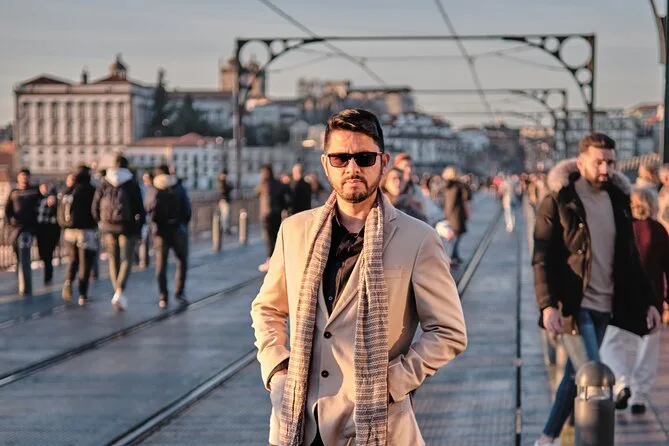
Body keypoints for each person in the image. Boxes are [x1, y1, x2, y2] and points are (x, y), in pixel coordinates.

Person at [251, 109, 467, 446]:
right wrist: (278, 369)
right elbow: (267, 309)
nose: (352, 168)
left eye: (364, 158)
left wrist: (393, 383)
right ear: (326, 165)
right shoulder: (294, 231)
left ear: (384, 162)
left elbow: (449, 331)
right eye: (340, 158)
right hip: (297, 424)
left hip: (380, 425)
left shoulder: (418, 238)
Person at [532, 133, 661, 446]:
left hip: (606, 305)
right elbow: (542, 256)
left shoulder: (618, 199)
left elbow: (630, 257)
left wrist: (650, 302)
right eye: (599, 162)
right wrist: (547, 305)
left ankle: (546, 439)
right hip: (573, 306)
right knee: (596, 379)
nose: (606, 169)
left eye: (611, 163)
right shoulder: (559, 199)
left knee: (576, 376)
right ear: (581, 162)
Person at [599, 187, 669, 415]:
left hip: (622, 297)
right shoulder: (658, 230)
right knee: (648, 348)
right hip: (653, 299)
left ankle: (621, 382)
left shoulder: (621, 229)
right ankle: (639, 396)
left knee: (611, 343)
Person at [92, 155, 145, 311]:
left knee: (112, 259)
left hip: (108, 226)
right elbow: (139, 208)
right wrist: (139, 227)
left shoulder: (104, 182)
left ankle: (117, 291)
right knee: (126, 259)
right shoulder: (131, 182)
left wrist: (100, 222)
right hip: (127, 227)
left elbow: (95, 206)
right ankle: (120, 290)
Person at [147, 164, 192, 308]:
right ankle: (180, 292)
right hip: (178, 230)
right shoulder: (178, 187)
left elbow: (148, 209)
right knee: (182, 261)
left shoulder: (154, 189)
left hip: (160, 232)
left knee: (161, 265)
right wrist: (182, 223)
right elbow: (187, 210)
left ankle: (163, 296)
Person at [58, 165, 98, 305]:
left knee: (73, 260)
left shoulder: (67, 191)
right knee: (85, 263)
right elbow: (95, 210)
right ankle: (83, 294)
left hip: (68, 232)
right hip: (85, 231)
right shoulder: (90, 190)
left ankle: (68, 281)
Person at [4, 169, 41, 296]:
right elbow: (7, 209)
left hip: (28, 228)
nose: (24, 178)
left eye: (26, 176)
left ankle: (25, 285)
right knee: (17, 252)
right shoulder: (14, 192)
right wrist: (10, 222)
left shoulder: (34, 191)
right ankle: (20, 274)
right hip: (15, 228)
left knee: (25, 252)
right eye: (22, 176)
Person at [256, 164, 289, 273]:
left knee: (269, 238)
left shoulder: (263, 184)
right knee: (276, 237)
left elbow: (256, 192)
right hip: (276, 213)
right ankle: (277, 259)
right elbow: (285, 191)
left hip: (266, 214)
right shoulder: (278, 184)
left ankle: (270, 260)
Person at [442, 166, 469, 266]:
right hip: (456, 215)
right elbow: (466, 196)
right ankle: (452, 257)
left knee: (455, 237)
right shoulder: (457, 186)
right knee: (455, 237)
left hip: (451, 214)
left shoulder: (447, 185)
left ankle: (455, 256)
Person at [36, 182, 60, 285]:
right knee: (43, 253)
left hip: (51, 228)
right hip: (40, 227)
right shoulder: (37, 198)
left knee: (48, 253)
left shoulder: (54, 198)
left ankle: (48, 275)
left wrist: (53, 205)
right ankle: (48, 272)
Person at [217, 169, 234, 235]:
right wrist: (229, 186)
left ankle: (225, 228)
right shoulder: (222, 181)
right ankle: (225, 229)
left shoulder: (223, 181)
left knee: (226, 215)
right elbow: (224, 190)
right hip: (224, 200)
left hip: (225, 200)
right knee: (225, 216)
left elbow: (230, 187)